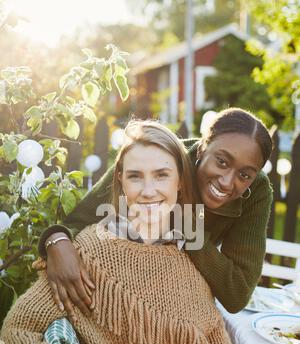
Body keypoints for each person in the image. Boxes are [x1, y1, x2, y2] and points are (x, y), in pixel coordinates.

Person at [1, 120, 286, 344]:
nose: (149, 190)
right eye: (136, 176)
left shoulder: (187, 259)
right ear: (120, 180)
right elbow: (15, 334)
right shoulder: (89, 253)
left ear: (181, 182)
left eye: (162, 175)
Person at [38, 108, 273, 318]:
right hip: (123, 279)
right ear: (202, 148)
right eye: (221, 162)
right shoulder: (155, 156)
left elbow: (237, 293)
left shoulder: (258, 191)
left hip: (183, 300)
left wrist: (186, 228)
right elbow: (79, 221)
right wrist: (56, 242)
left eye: (245, 175)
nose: (226, 182)